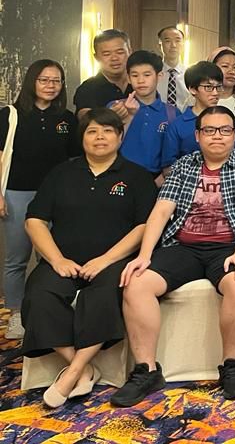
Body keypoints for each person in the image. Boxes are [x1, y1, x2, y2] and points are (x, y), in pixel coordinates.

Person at [113, 106, 235, 406]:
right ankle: (146, 370)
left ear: (234, 135)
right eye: (209, 130)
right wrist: (144, 255)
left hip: (231, 246)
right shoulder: (184, 166)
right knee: (137, 282)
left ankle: (231, 366)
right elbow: (161, 211)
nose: (217, 136)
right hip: (183, 246)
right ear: (197, 135)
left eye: (225, 130)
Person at [22, 108, 155, 408]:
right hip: (64, 260)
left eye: (107, 131)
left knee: (104, 295)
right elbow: (35, 220)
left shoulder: (137, 176)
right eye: (92, 131)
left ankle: (72, 373)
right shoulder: (61, 173)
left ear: (119, 137)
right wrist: (56, 259)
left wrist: (106, 259)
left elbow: (144, 226)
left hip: (114, 261)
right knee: (40, 294)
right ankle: (82, 368)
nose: (100, 137)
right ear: (82, 138)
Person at [0, 60, 79, 340]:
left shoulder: (67, 119)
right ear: (32, 82)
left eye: (56, 81)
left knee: (52, 256)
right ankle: (16, 314)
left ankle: (47, 309)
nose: (50, 86)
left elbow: (73, 160)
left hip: (56, 197)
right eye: (44, 80)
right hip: (17, 193)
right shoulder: (10, 115)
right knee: (16, 259)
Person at [114, 50, 176, 176]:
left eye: (147, 75)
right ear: (128, 78)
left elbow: (176, 155)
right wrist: (124, 117)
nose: (141, 80)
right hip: (119, 176)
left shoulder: (172, 113)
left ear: (159, 76)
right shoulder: (117, 107)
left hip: (158, 179)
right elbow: (107, 146)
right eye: (135, 75)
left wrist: (161, 179)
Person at [160, 62, 228, 171]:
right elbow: (168, 168)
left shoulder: (229, 121)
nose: (215, 93)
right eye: (208, 87)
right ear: (192, 89)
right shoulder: (177, 126)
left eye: (218, 87)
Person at [73, 29, 132, 118]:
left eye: (120, 52)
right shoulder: (87, 88)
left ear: (130, 52)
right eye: (106, 54)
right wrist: (108, 116)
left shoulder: (141, 83)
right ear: (96, 57)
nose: (114, 58)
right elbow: (84, 118)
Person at [155, 26, 187, 113]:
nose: (173, 45)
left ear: (183, 45)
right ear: (159, 46)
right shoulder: (153, 74)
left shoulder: (190, 74)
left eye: (177, 40)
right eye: (168, 41)